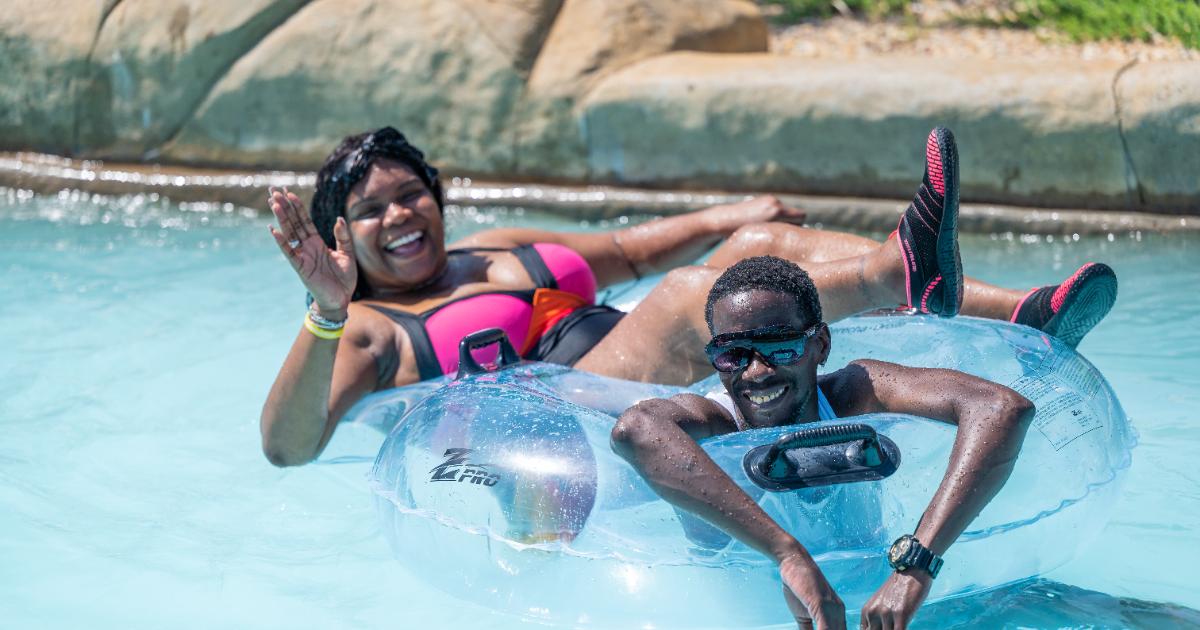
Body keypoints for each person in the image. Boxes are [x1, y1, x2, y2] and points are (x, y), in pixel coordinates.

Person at [260, 126, 1114, 466]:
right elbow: (286, 449)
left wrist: (735, 214)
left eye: (409, 193)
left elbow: (630, 246)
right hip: (555, 416)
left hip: (606, 354)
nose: (398, 216)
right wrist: (327, 310)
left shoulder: (499, 251)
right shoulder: (368, 327)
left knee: (754, 253)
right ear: (338, 238)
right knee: (682, 300)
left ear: (437, 196)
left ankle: (1025, 312)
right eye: (368, 211)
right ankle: (903, 272)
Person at [609, 254, 1037, 630]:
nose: (756, 372)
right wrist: (787, 555)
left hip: (883, 607)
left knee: (1051, 602)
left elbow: (1000, 409)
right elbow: (635, 430)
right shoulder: (717, 425)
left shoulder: (854, 394)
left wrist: (915, 567)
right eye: (732, 354)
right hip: (759, 620)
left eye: (780, 347)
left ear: (820, 345)